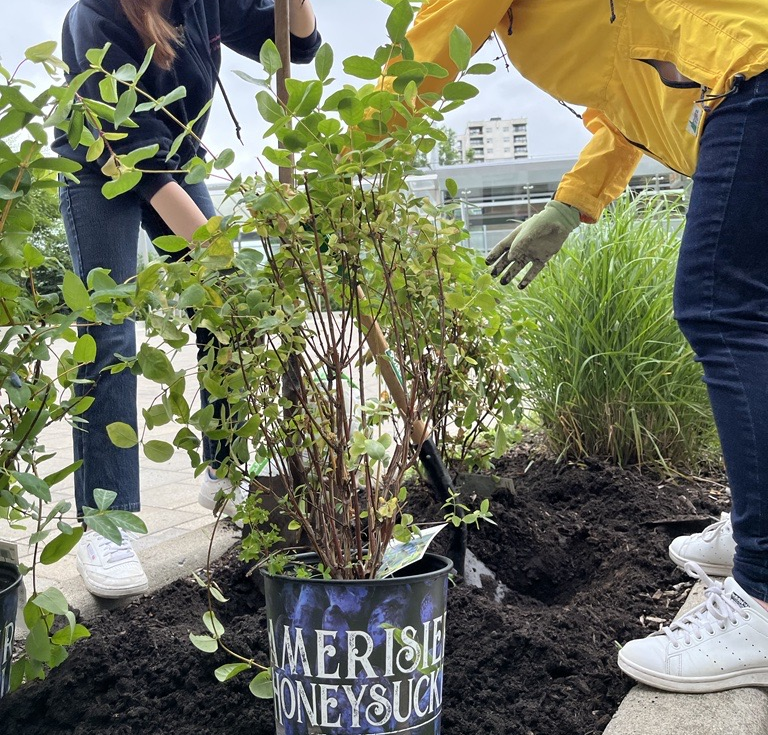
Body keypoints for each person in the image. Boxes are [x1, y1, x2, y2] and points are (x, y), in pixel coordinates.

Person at [400, 0, 768, 693]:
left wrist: (337, 154)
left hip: (751, 74)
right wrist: (570, 204)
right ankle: (758, 524)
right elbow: (627, 94)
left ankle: (764, 597)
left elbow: (427, 52)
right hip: (741, 80)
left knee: (723, 310)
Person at [53, 0, 320, 599]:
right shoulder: (93, 15)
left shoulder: (204, 2)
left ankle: (226, 472)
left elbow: (298, 47)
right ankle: (107, 524)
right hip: (104, 169)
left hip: (174, 162)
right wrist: (216, 249)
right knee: (111, 329)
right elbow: (136, 161)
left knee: (225, 308)